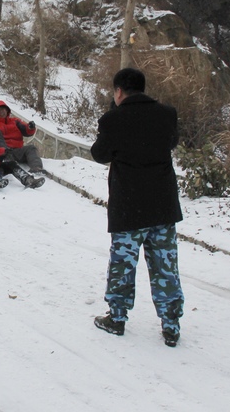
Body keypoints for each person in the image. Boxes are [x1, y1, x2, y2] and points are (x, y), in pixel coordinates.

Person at [90, 68, 184, 347]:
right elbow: (172, 142)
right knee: (165, 266)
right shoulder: (167, 113)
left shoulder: (113, 119)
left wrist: (110, 119)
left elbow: (99, 154)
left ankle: (117, 318)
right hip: (162, 207)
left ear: (118, 91)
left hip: (129, 208)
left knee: (123, 264)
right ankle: (171, 324)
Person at [0, 100, 44, 174]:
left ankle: (37, 168)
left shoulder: (15, 121)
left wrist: (30, 128)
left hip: (17, 151)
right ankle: (10, 163)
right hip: (4, 152)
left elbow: (25, 130)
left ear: (6, 110)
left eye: (2, 109)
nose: (1, 112)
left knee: (31, 148)